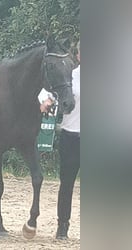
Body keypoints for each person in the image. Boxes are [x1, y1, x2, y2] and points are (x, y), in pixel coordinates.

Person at [56, 40, 80, 240]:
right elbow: (45, 92)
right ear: (78, 55)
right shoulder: (70, 76)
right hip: (70, 136)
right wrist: (45, 101)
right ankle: (62, 226)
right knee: (67, 183)